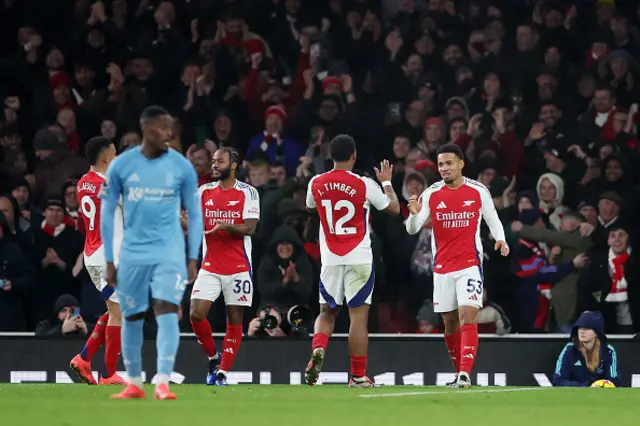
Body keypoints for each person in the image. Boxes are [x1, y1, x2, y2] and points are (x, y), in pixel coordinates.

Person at [100, 106, 203, 400]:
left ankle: (162, 382)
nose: (168, 134)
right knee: (131, 316)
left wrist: (193, 256)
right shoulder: (122, 165)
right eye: (162, 127)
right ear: (146, 128)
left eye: (170, 128)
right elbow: (107, 212)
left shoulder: (181, 166)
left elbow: (195, 214)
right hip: (132, 253)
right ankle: (134, 382)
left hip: (169, 252)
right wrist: (109, 258)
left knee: (167, 309)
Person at [405, 143, 509, 388]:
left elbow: (492, 217)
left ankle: (465, 373)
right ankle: (459, 374)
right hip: (441, 268)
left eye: (449, 163)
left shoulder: (477, 190)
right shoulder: (431, 193)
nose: (444, 168)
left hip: (469, 265)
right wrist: (413, 213)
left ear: (461, 164)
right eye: (440, 164)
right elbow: (413, 228)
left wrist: (501, 239)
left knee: (467, 317)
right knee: (450, 322)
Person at [304, 134, 400, 388]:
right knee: (358, 317)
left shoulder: (316, 183)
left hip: (330, 259)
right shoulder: (365, 184)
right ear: (354, 155)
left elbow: (311, 207)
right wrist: (387, 183)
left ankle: (318, 348)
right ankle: (357, 376)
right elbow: (393, 209)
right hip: (359, 256)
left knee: (326, 313)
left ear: (330, 156)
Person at [189, 147, 260, 386]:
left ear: (233, 165)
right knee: (196, 314)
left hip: (239, 266)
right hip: (210, 265)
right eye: (213, 161)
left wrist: (225, 226)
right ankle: (213, 357)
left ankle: (222, 373)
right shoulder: (204, 192)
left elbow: (250, 228)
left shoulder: (248, 192)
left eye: (220, 161)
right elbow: (191, 224)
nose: (214, 165)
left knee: (234, 319)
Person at [69, 136, 125, 385]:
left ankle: (84, 359)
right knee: (120, 314)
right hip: (110, 257)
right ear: (105, 158)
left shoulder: (82, 183)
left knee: (115, 310)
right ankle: (109, 374)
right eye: (115, 154)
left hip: (92, 255)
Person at [552, 311, 621, 387]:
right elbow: (558, 380)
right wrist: (584, 386)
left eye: (587, 328)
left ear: (596, 333)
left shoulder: (608, 351)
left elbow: (614, 380)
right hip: (574, 395)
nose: (582, 331)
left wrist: (598, 386)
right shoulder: (569, 349)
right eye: (580, 328)